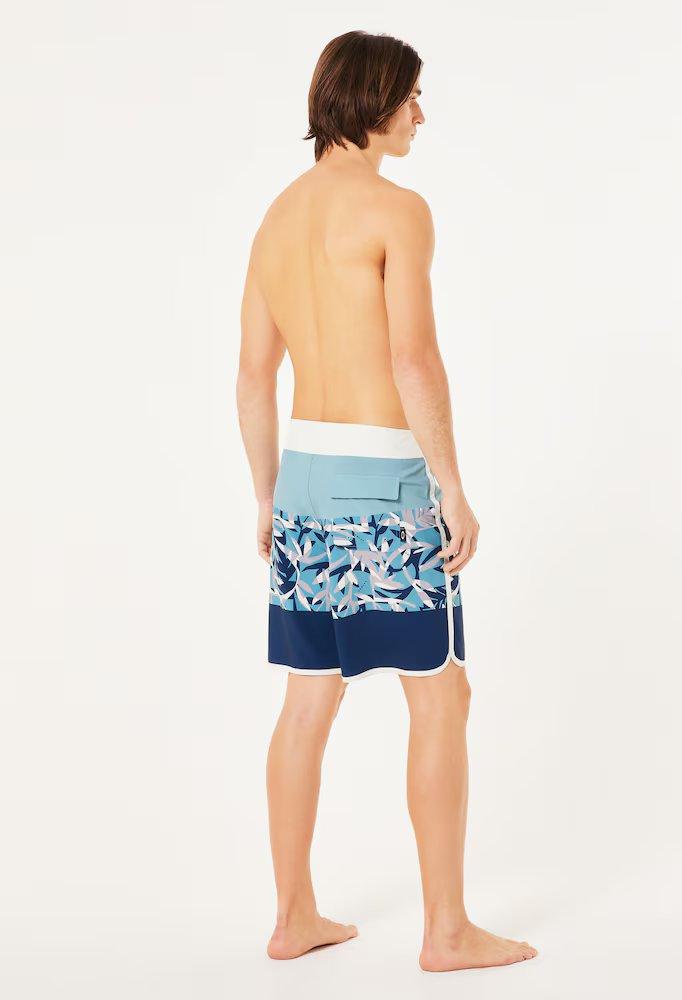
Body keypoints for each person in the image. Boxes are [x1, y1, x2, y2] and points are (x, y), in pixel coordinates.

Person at [236, 29, 537, 973]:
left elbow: (252, 376)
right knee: (441, 695)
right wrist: (451, 486)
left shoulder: (277, 218)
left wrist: (267, 496)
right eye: (411, 97)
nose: (420, 115)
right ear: (371, 100)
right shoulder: (397, 211)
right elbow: (413, 358)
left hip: (304, 483)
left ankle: (293, 917)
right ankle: (446, 932)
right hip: (386, 485)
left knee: (307, 702)